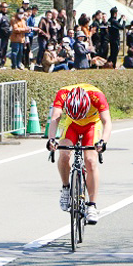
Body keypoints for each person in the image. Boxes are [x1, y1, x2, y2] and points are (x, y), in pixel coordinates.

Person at [46, 84, 112, 225]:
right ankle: (65, 188)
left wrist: (103, 142)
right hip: (72, 125)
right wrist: (51, 140)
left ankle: (92, 205)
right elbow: (55, 118)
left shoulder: (97, 96)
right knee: (64, 155)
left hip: (92, 125)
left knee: (90, 161)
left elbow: (107, 122)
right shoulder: (63, 93)